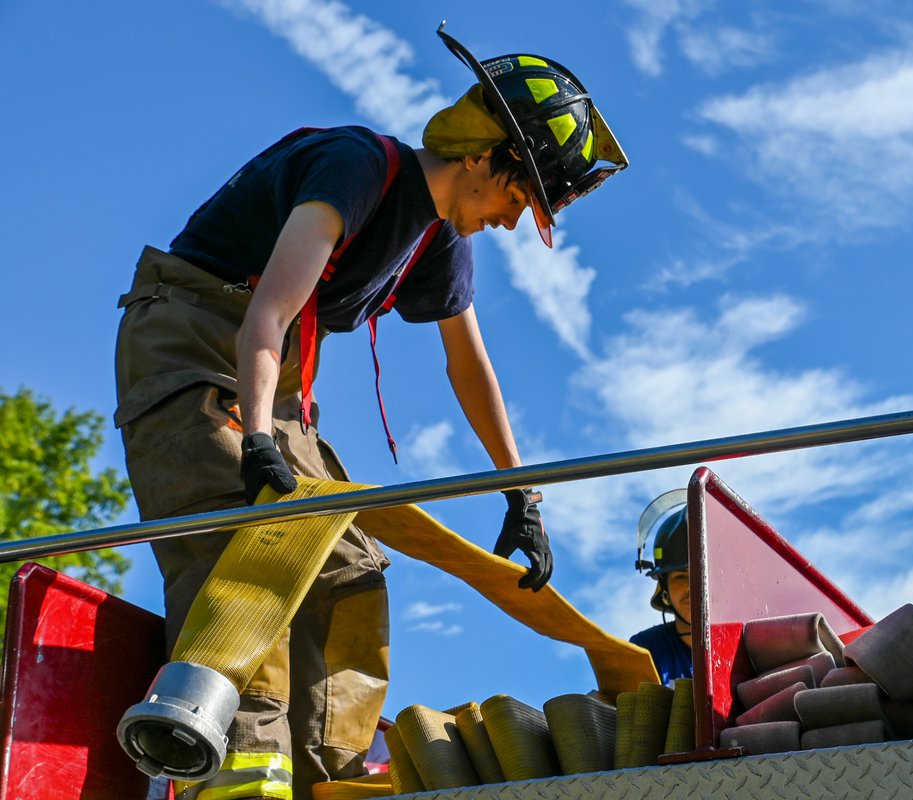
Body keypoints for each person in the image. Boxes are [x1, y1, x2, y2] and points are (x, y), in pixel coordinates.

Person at [113, 24, 627, 800]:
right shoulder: (355, 168)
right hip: (194, 338)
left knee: (347, 565)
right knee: (247, 544)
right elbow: (268, 316)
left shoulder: (441, 237)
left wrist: (523, 492)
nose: (516, 220)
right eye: (522, 198)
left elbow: (469, 367)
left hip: (274, 378)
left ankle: (331, 782)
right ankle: (241, 781)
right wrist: (256, 442)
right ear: (484, 158)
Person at [631, 489, 694, 686]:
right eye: (681, 576)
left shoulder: (749, 649)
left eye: (703, 576)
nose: (693, 588)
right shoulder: (645, 651)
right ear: (664, 586)